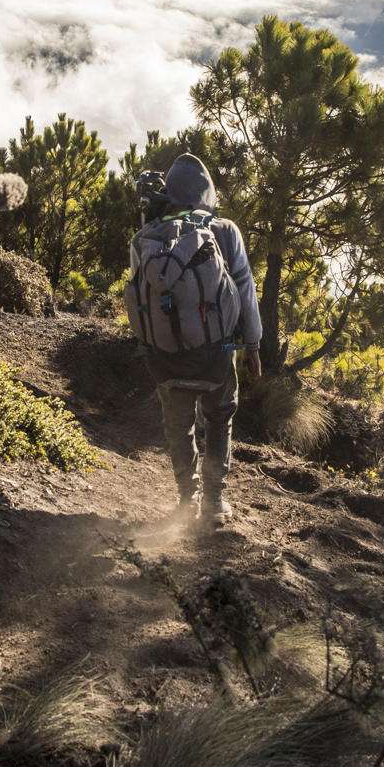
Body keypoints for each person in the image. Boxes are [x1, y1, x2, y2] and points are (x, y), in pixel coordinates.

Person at [125, 155, 262, 530]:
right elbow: (245, 289)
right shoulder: (225, 230)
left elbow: (141, 298)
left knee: (178, 426)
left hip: (165, 357)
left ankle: (188, 498)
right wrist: (253, 344)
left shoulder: (146, 237)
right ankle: (215, 503)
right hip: (215, 356)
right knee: (219, 418)